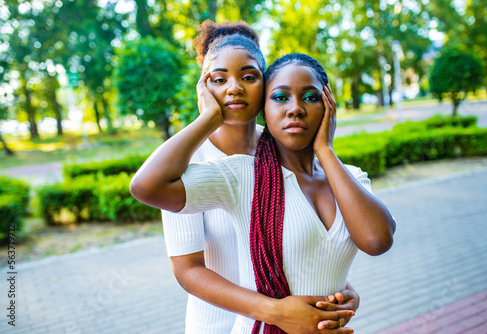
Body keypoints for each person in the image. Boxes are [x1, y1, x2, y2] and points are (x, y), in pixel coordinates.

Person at [131, 33, 394, 334]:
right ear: (203, 87)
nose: (234, 88)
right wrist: (277, 312)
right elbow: (187, 267)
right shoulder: (201, 165)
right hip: (220, 322)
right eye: (218, 79)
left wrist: (335, 288)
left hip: (301, 318)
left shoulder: (281, 154)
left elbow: (303, 244)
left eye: (249, 76)